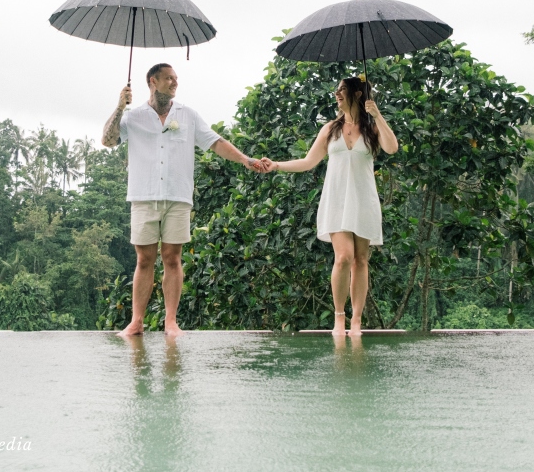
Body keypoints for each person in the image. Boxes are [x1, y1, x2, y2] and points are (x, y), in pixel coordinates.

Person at [102, 62, 265, 337]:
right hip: (144, 196)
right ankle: (136, 321)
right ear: (152, 81)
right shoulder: (134, 116)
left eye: (176, 78)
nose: (174, 83)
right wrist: (120, 106)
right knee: (144, 260)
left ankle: (171, 321)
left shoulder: (188, 115)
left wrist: (246, 160)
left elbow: (216, 142)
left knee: (172, 258)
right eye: (168, 78)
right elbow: (108, 140)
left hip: (178, 197)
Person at [261, 76, 398, 336]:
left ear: (357, 95)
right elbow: (308, 161)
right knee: (343, 257)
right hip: (336, 200)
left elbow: (392, 148)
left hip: (363, 200)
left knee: (361, 260)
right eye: (337, 90)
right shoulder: (330, 129)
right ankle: (339, 317)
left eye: (342, 90)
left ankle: (356, 320)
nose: (337, 94)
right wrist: (276, 165)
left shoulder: (372, 128)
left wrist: (377, 114)